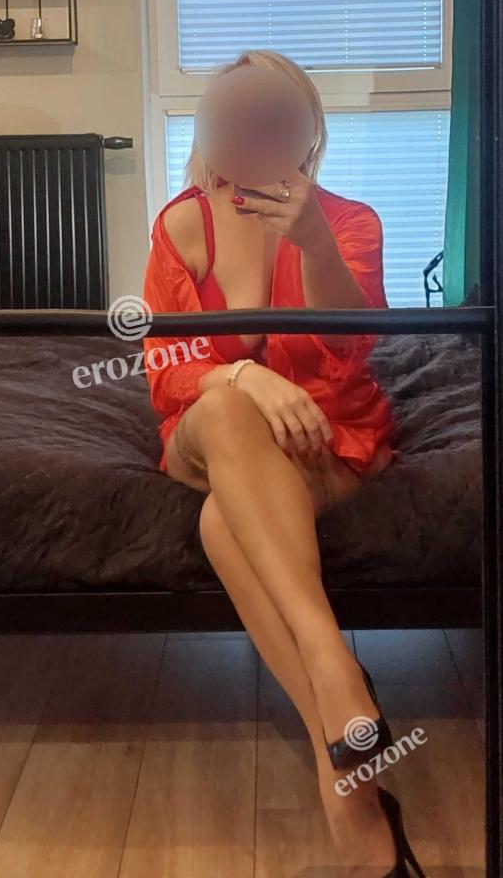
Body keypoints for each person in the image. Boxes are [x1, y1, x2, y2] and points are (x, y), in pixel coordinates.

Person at [142, 50, 424, 876]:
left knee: (221, 523)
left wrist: (315, 247)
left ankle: (348, 786)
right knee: (226, 405)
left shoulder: (349, 221)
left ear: (307, 132)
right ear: (209, 131)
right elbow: (165, 363)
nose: (253, 134)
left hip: (326, 436)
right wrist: (245, 375)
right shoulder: (180, 224)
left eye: (273, 119)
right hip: (207, 430)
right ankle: (332, 655)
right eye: (234, 119)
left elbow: (352, 347)